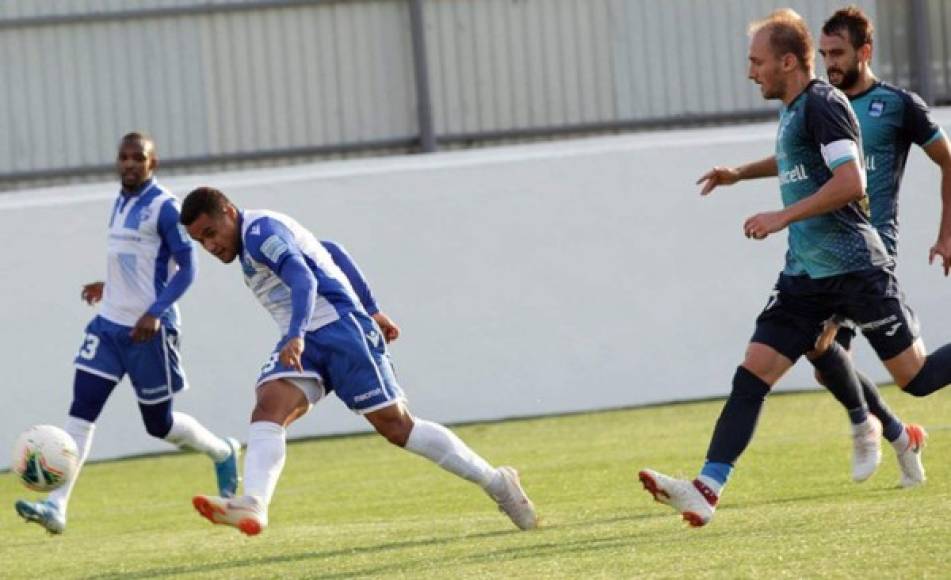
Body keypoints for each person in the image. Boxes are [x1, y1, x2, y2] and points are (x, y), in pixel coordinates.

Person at [638, 9, 951, 527]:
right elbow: (796, 163)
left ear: (787, 61)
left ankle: (882, 427)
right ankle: (706, 488)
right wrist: (738, 175)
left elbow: (852, 183)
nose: (750, 72)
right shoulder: (793, 110)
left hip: (857, 270)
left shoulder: (825, 104)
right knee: (753, 372)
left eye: (756, 61)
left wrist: (781, 215)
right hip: (805, 278)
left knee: (914, 378)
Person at [179, 187, 537, 535]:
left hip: (340, 331)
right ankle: (254, 502)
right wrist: (371, 308)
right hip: (311, 339)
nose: (210, 246)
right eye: (200, 242)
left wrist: (303, 331)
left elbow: (303, 277)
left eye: (211, 233)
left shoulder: (259, 234)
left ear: (229, 212)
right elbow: (331, 250)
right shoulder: (255, 237)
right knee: (269, 407)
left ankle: (496, 481)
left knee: (398, 428)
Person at [14, 133, 239, 535]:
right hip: (108, 327)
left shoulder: (165, 208)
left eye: (139, 157)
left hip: (148, 333)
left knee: (160, 425)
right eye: (124, 157)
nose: (131, 163)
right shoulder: (120, 201)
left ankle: (222, 451)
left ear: (153, 163)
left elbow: (187, 268)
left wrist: (153, 312)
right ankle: (55, 506)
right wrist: (109, 286)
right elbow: (138, 263)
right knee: (81, 412)